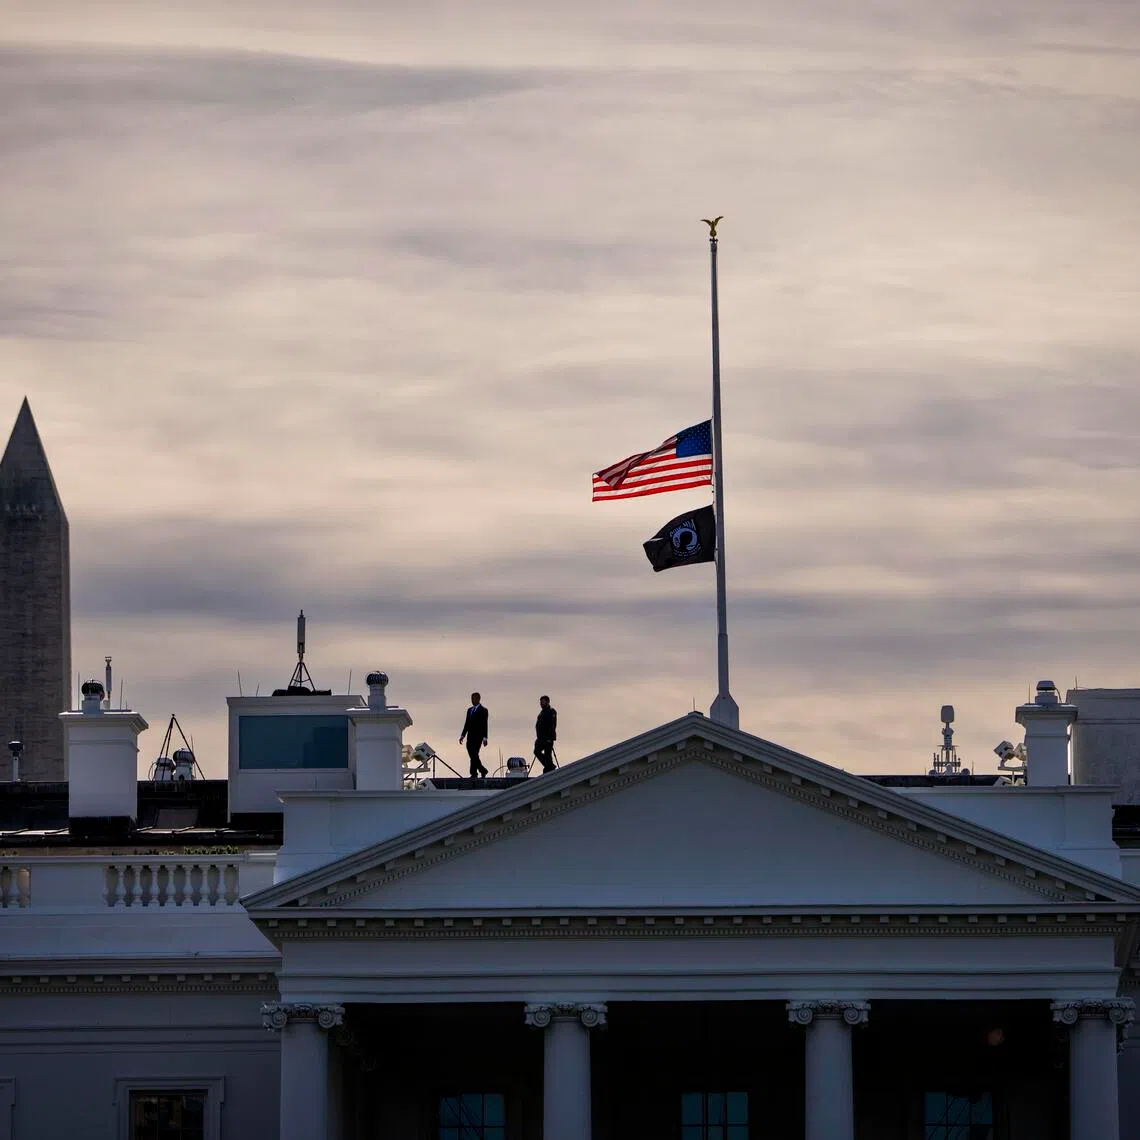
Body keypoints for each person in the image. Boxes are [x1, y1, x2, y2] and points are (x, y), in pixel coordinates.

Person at [460, 692, 489, 778]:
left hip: (478, 737)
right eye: (472, 699)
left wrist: (485, 738)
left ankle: (473, 773)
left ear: (478, 699)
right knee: (473, 755)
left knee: (474, 755)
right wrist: (462, 735)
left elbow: (485, 724)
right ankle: (483, 770)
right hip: (470, 736)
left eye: (474, 698)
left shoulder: (483, 710)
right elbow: (467, 723)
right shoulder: (469, 710)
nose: (472, 700)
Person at [534, 694, 557, 774]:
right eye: (540, 702)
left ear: (547, 702)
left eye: (542, 702)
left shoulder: (551, 711)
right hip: (541, 738)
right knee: (537, 751)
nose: (541, 704)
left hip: (547, 738)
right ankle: (549, 766)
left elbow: (552, 725)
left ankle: (549, 768)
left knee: (548, 753)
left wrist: (549, 738)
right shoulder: (542, 713)